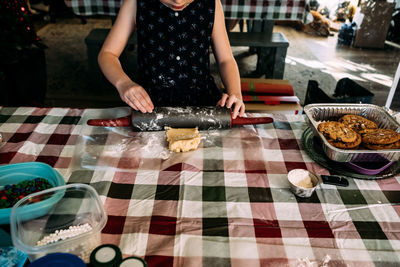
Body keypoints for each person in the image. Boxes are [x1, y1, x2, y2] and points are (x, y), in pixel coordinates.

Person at [97, 0, 245, 118]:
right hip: (149, 107)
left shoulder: (212, 3)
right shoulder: (135, 3)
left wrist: (235, 93)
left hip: (204, 105)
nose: (178, 0)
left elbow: (226, 60)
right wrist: (123, 83)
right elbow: (108, 54)